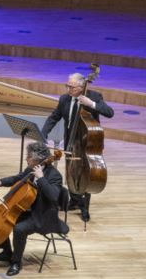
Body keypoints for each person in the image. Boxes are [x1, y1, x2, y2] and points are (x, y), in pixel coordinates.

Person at [41, 71, 115, 221]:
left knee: (87, 173)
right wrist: (43, 134)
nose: (68, 89)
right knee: (72, 171)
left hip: (89, 143)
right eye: (67, 86)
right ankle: (74, 200)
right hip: (71, 143)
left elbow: (110, 113)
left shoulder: (94, 96)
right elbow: (54, 117)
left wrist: (91, 104)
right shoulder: (64, 99)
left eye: (72, 87)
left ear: (82, 87)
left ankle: (85, 207)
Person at [0, 142, 68, 276]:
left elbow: (53, 197)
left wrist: (41, 178)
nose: (26, 159)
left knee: (18, 228)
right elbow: (17, 178)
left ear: (38, 159)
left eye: (28, 157)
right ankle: (6, 253)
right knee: (3, 220)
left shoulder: (54, 175)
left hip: (43, 216)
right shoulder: (31, 168)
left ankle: (16, 262)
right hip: (28, 211)